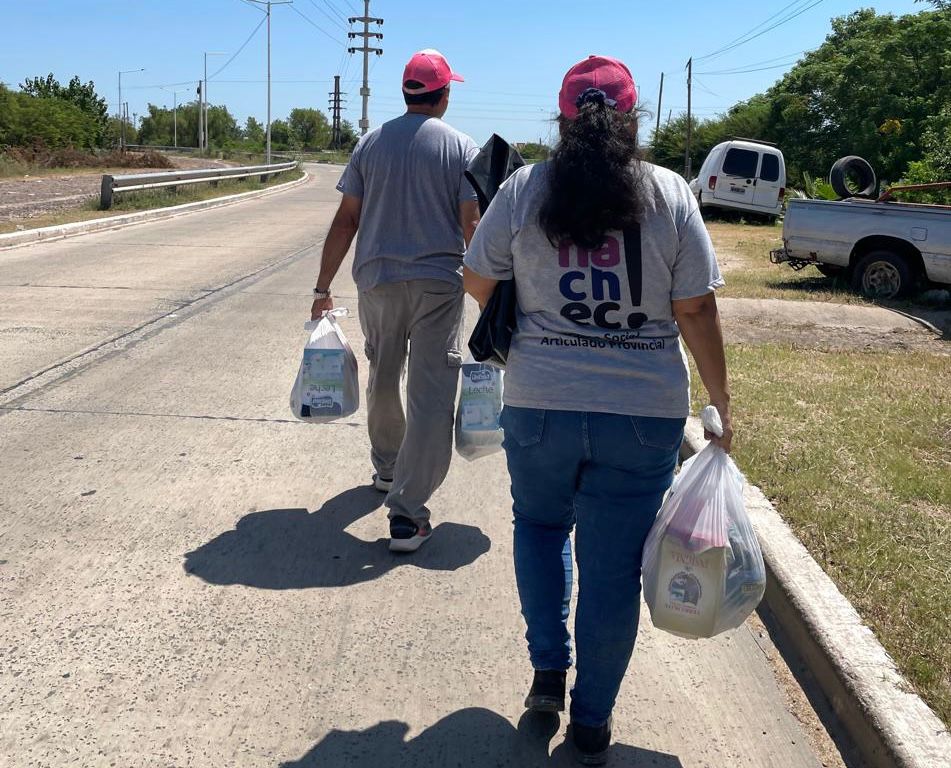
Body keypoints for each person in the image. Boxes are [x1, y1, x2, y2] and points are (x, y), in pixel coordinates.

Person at [463, 55, 733, 765]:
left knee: (540, 526)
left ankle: (546, 674)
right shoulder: (668, 192)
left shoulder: (525, 187)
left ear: (561, 120)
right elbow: (695, 305)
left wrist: (534, 324)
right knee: (610, 570)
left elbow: (476, 272)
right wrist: (720, 400)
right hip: (641, 412)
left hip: (539, 401)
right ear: (633, 118)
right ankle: (593, 720)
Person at [311, 49, 480, 552]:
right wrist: (492, 291)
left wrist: (322, 288)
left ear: (406, 93)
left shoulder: (370, 145)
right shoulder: (462, 148)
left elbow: (347, 220)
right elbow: (471, 227)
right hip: (437, 284)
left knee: (385, 373)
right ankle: (407, 514)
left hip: (377, 280)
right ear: (444, 94)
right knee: (430, 391)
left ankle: (387, 468)